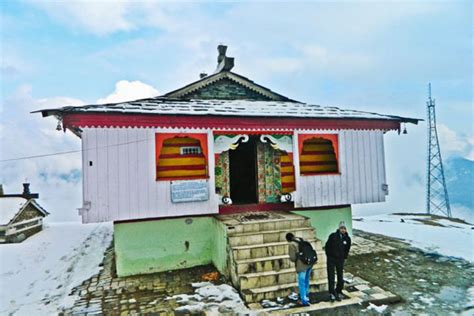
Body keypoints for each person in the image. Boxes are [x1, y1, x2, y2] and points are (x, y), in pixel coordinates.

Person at [325, 221, 351, 302]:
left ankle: (338, 290)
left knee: (340, 275)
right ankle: (332, 292)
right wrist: (329, 255)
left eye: (344, 228)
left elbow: (347, 249)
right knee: (331, 276)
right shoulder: (333, 236)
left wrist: (344, 257)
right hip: (331, 259)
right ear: (339, 228)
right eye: (341, 228)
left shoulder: (347, 238)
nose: (343, 230)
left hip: (340, 259)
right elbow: (327, 246)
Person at [286, 232, 313, 306]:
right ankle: (307, 296)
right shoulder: (301, 239)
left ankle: (303, 300)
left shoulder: (291, 244)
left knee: (302, 282)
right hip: (309, 263)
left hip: (301, 265)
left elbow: (293, 258)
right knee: (307, 280)